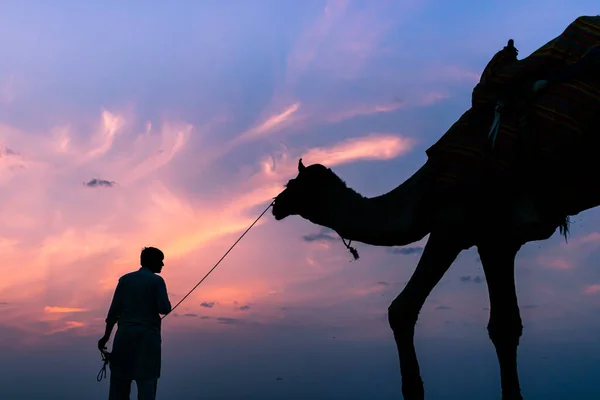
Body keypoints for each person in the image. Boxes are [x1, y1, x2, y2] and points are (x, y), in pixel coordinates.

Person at [98, 247, 172, 400]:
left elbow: (113, 313)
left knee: (118, 389)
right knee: (146, 387)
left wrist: (105, 337)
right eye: (160, 261)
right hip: (147, 343)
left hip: (124, 340)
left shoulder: (125, 280)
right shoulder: (157, 281)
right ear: (151, 261)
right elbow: (164, 308)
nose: (162, 264)